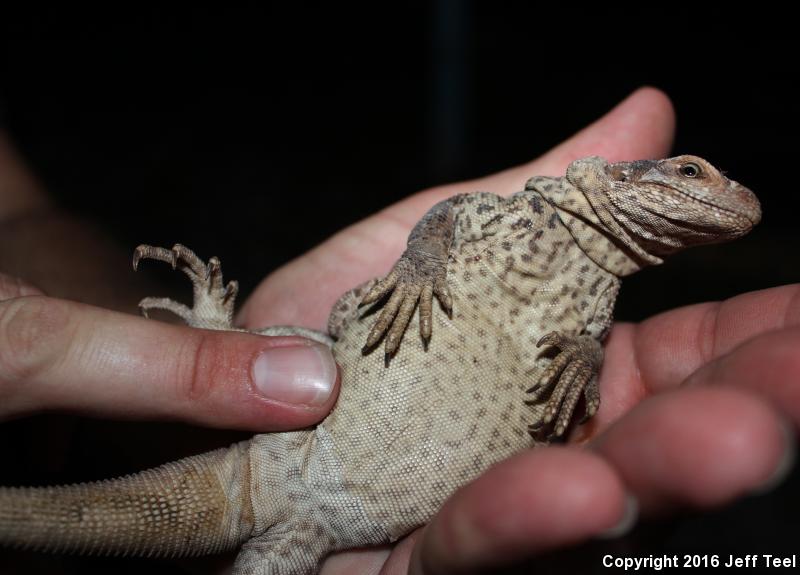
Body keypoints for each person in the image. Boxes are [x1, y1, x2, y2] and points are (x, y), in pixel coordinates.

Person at [0, 88, 796, 574]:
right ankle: (221, 332)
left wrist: (586, 357)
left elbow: (583, 349)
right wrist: (417, 267)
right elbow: (451, 216)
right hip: (289, 446)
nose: (712, 192)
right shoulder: (540, 210)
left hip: (320, 521)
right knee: (295, 356)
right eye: (693, 173)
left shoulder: (598, 291)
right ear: (617, 176)